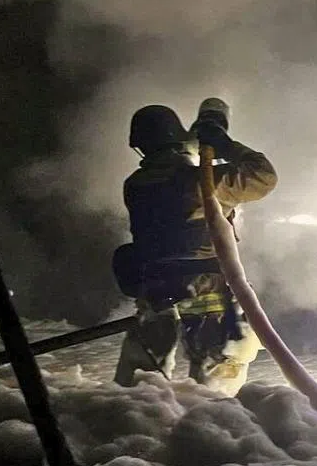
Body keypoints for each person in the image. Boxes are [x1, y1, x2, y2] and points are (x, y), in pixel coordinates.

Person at [113, 99, 278, 395]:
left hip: (156, 290)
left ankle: (136, 433)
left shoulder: (135, 184)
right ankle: (206, 438)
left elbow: (168, 174)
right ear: (177, 139)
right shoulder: (203, 182)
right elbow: (263, 176)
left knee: (141, 389)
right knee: (215, 389)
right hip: (210, 291)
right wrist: (223, 144)